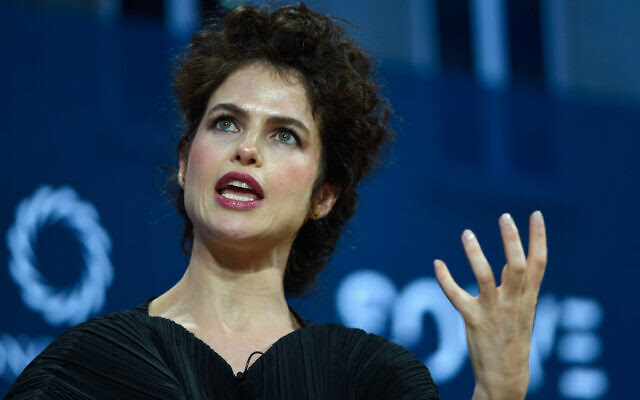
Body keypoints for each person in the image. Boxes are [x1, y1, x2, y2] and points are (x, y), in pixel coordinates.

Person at [6, 3, 547, 399]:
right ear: (183, 160)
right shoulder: (83, 373)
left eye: (284, 134)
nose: (245, 149)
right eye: (225, 123)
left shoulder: (371, 381)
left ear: (323, 196)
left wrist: (498, 395)